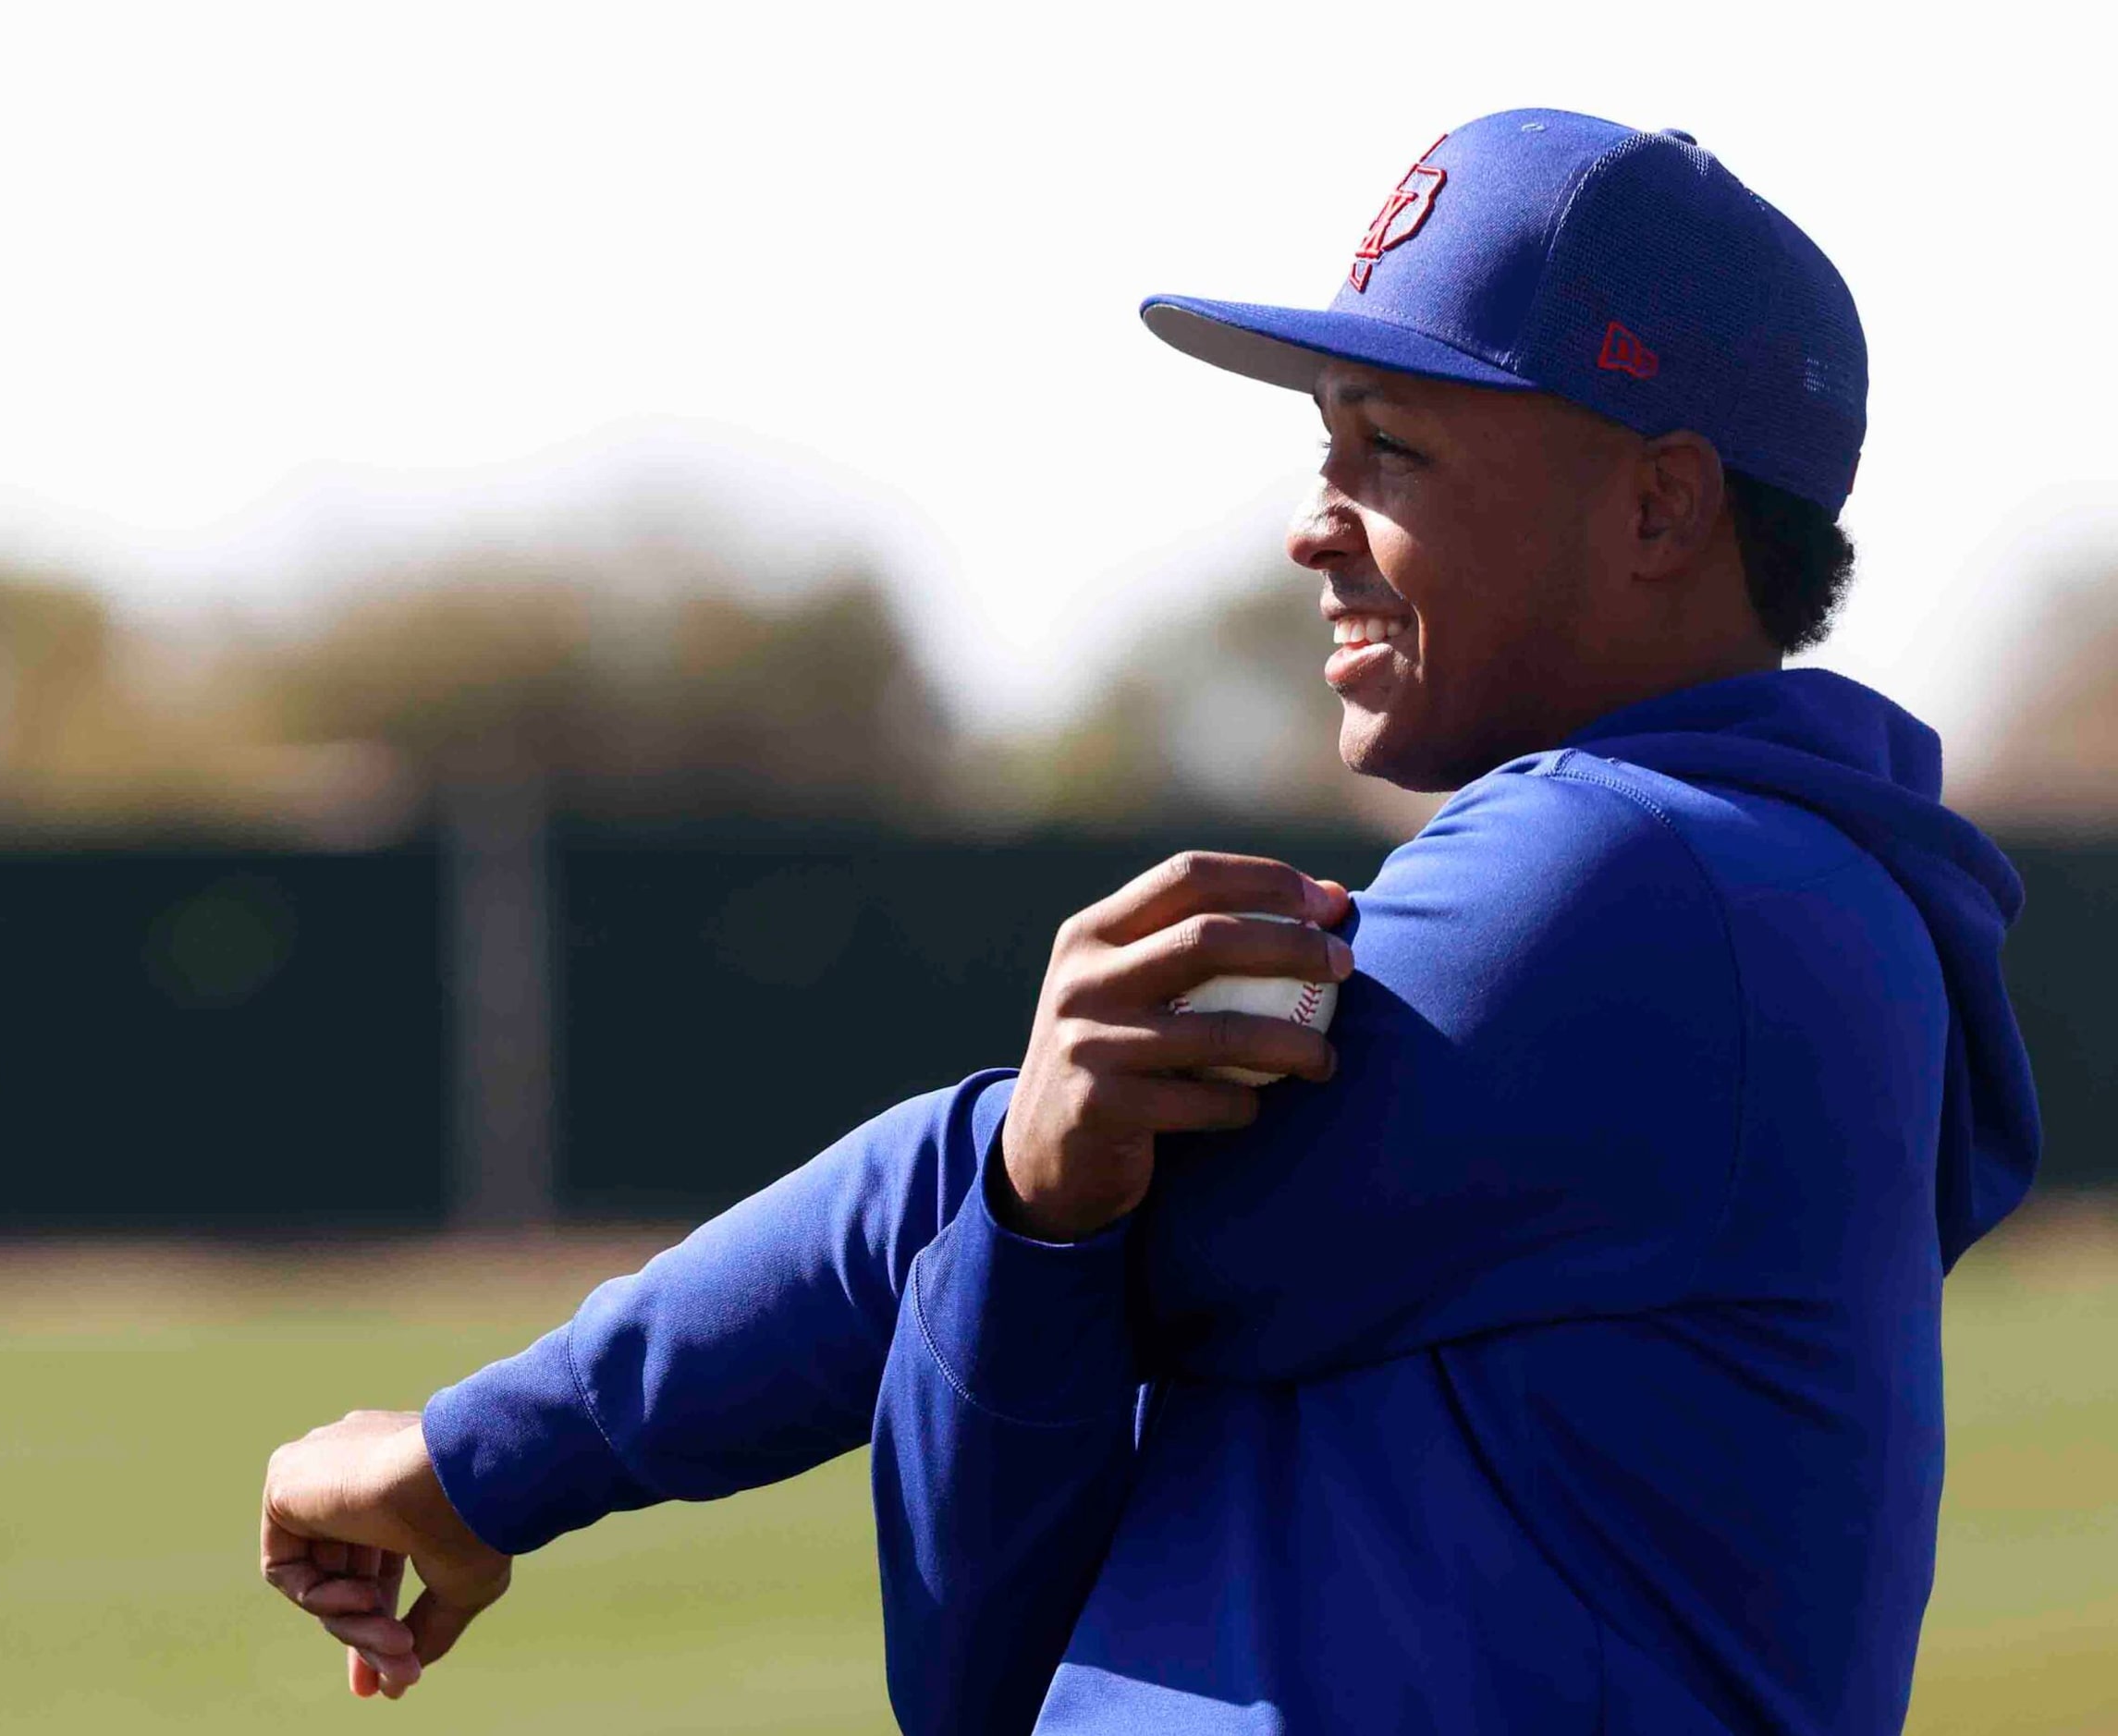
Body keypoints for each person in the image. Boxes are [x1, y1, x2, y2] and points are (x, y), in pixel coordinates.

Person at [255, 108, 2036, 1733]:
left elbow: (955, 1246)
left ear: (1659, 500)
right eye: (1320, 444)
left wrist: (477, 1453)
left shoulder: (1629, 876)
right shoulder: (1762, 881)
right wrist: (1032, 1201)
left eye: (1390, 447)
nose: (1308, 528)